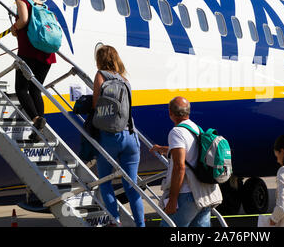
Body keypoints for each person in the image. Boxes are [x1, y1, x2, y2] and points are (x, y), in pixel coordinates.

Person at [92, 45, 144, 227]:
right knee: (131, 186)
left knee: (105, 182)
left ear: (100, 60)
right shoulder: (125, 80)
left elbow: (95, 105)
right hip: (130, 136)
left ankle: (115, 220)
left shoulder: (101, 75)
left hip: (109, 137)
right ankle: (140, 225)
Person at [150, 96, 222, 227]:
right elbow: (190, 151)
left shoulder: (176, 132)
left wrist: (172, 200)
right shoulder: (197, 129)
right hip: (203, 194)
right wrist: (163, 149)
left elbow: (179, 167)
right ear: (188, 112)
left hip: (186, 194)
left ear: (170, 113)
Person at [10, 0, 56, 141]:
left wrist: (15, 28)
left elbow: (24, 20)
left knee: (21, 89)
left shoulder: (22, 0)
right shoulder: (43, 6)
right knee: (35, 89)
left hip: (28, 52)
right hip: (46, 53)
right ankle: (39, 131)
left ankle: (36, 120)